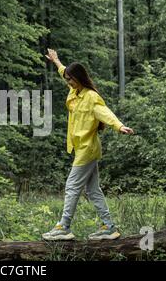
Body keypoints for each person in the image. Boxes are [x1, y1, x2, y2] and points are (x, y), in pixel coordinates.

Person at [42, 48, 134, 241]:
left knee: (72, 186)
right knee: (93, 190)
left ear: (79, 79)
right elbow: (64, 72)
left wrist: (119, 126)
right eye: (67, 79)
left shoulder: (91, 97)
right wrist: (57, 61)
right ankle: (109, 227)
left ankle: (63, 226)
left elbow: (104, 112)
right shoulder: (75, 91)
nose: (68, 82)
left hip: (87, 149)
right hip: (81, 148)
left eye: (70, 79)